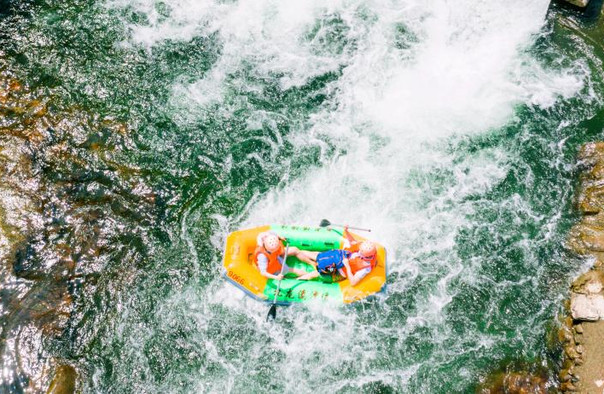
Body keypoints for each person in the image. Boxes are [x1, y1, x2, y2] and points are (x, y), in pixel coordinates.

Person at [298, 226, 378, 286]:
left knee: (315, 273)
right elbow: (353, 242)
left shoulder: (365, 268)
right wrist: (346, 231)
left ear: (366, 256)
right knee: (316, 255)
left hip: (337, 271)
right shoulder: (365, 250)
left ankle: (297, 280)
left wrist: (347, 266)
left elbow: (353, 282)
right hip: (339, 257)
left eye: (361, 253)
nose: (359, 252)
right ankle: (295, 252)